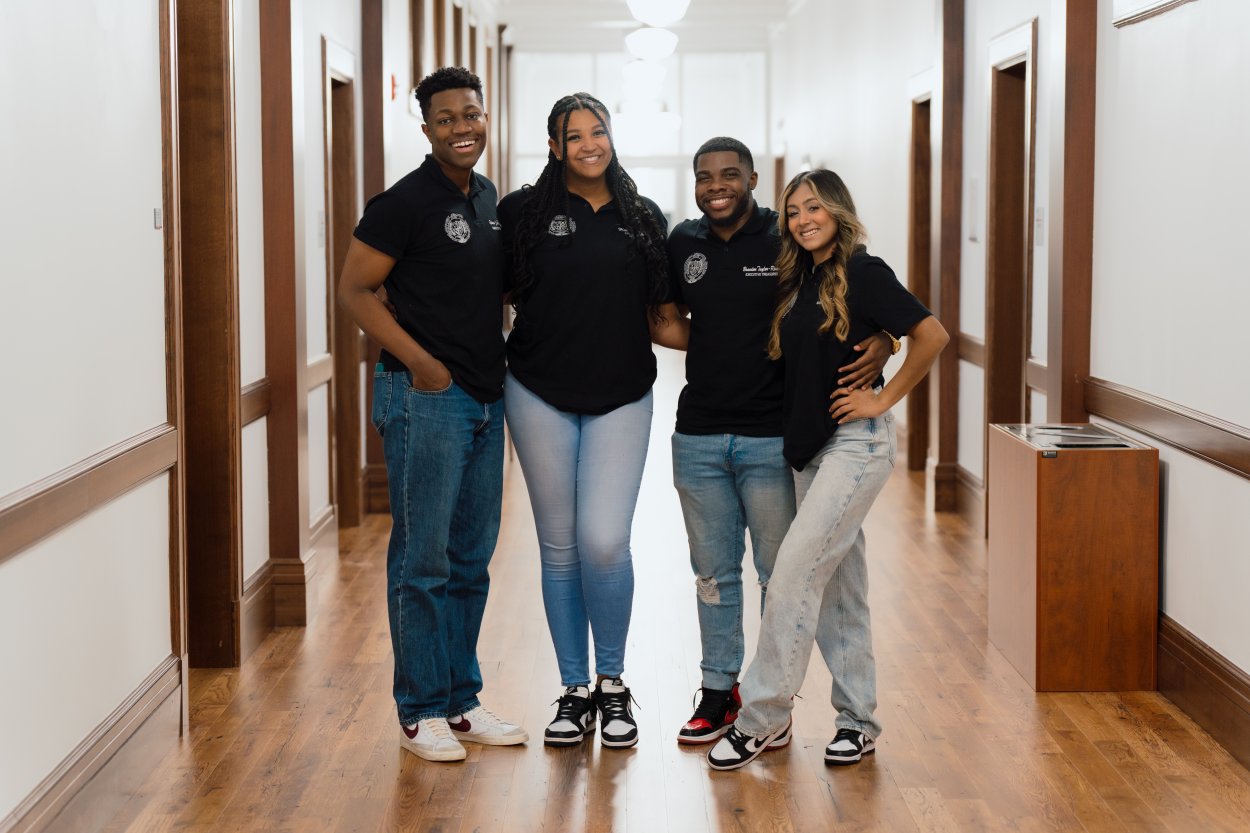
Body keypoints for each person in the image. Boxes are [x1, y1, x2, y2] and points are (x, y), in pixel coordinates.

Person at [706, 169, 949, 771]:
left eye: (814, 207)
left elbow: (933, 334)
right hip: (809, 449)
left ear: (839, 210)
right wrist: (883, 341)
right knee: (840, 589)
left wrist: (883, 398)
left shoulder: (864, 270)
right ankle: (858, 721)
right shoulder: (803, 277)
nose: (803, 219)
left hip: (854, 444)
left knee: (792, 573)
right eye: (792, 211)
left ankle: (760, 718)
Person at [665, 139, 891, 744]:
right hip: (699, 436)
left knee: (783, 575)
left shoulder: (785, 239)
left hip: (775, 438)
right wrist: (717, 344)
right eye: (705, 176)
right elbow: (664, 317)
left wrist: (884, 344)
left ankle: (774, 709)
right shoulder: (682, 242)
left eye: (731, 175)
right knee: (713, 576)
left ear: (754, 180)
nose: (718, 185)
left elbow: (850, 297)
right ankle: (719, 693)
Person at [336, 67, 527, 763]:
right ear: (426, 129)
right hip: (425, 399)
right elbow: (354, 290)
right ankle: (419, 710)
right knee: (423, 560)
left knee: (471, 558)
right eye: (446, 118)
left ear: (485, 117)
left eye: (470, 114)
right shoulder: (402, 202)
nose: (462, 127)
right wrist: (424, 365)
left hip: (484, 396)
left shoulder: (486, 197)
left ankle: (459, 699)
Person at [498, 92, 683, 749]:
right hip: (537, 393)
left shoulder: (643, 217)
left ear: (611, 136)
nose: (587, 144)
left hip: (623, 396)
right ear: (554, 147)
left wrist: (756, 337)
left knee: (604, 540)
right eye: (572, 135)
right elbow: (485, 294)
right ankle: (575, 689)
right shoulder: (522, 213)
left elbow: (664, 319)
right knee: (560, 546)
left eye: (596, 131)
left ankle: (614, 681)